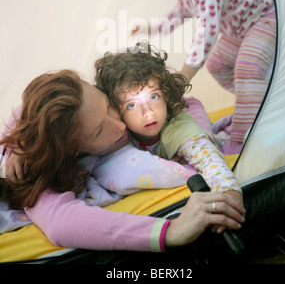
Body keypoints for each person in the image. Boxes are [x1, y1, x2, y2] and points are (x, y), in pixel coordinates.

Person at [0, 69, 246, 253]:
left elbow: (27, 106)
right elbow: (61, 224)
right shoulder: (33, 177)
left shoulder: (78, 99)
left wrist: (17, 145)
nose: (119, 125)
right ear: (71, 150)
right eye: (98, 131)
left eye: (109, 107)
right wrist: (171, 231)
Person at [126, 0, 276, 154]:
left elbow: (208, 28)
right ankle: (261, 98)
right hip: (240, 28)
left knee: (247, 68)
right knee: (218, 65)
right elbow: (182, 11)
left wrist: (186, 73)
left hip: (265, 18)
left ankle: (241, 139)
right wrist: (152, 28)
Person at [95, 42, 243, 206]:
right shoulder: (118, 134)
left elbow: (209, 158)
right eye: (132, 105)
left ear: (165, 94)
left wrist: (230, 193)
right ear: (116, 111)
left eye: (153, 97)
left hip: (189, 112)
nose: (148, 112)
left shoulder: (176, 124)